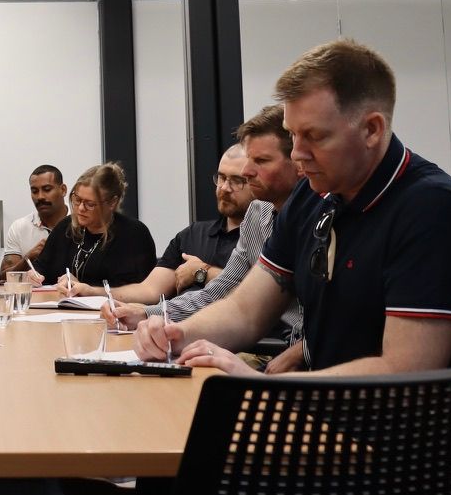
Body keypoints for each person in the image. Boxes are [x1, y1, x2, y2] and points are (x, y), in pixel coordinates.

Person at [135, 39, 451, 376]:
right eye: (293, 135)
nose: (296, 154)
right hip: (328, 412)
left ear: (372, 129)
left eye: (314, 136)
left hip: (399, 436)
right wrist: (175, 335)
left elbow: (404, 369)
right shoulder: (313, 196)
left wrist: (262, 383)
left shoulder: (433, 209)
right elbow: (246, 311)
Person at [107, 106, 306, 372]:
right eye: (222, 177)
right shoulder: (259, 213)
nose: (247, 172)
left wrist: (303, 350)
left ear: (298, 162)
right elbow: (226, 294)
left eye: (260, 161)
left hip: (291, 355)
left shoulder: (320, 214)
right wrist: (157, 319)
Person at [106, 145, 252, 304]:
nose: (224, 187)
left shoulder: (265, 236)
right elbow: (149, 290)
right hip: (174, 322)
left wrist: (201, 272)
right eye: (222, 177)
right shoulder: (193, 234)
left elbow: (257, 296)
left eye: (237, 181)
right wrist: (92, 293)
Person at [27, 163, 155, 295]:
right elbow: (41, 268)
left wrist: (85, 288)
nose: (81, 208)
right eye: (77, 200)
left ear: (112, 203)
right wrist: (33, 275)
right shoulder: (65, 228)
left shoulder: (134, 234)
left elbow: (140, 291)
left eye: (90, 204)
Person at [0, 165, 69, 279]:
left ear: (63, 190)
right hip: (33, 296)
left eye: (47, 189)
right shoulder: (19, 227)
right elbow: (3, 278)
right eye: (34, 191)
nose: (40, 197)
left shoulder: (80, 223)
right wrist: (28, 258)